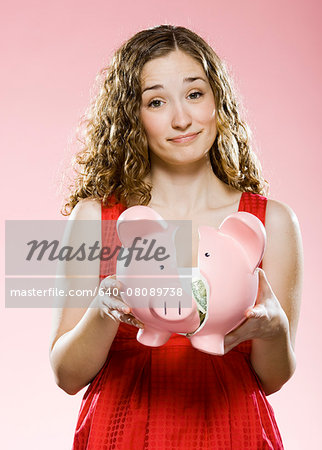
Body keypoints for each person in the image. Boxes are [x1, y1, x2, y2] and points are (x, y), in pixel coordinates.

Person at [49, 25, 303, 449]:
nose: (181, 118)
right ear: (132, 116)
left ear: (218, 101)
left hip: (233, 430)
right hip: (122, 430)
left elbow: (273, 379)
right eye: (156, 101)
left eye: (194, 93)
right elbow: (67, 376)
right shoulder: (96, 220)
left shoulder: (270, 222)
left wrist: (274, 332)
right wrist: (103, 310)